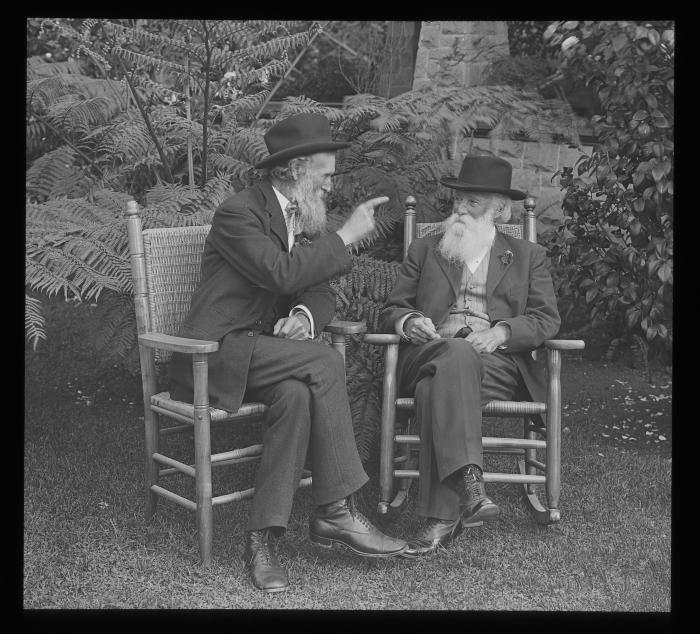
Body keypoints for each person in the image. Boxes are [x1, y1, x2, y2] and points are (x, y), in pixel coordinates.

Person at [169, 112, 407, 592]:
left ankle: (262, 541)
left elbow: (317, 287)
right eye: (324, 173)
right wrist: (346, 236)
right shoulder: (239, 212)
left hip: (261, 351)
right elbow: (279, 271)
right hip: (213, 354)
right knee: (323, 361)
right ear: (292, 169)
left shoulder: (300, 213)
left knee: (297, 395)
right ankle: (337, 511)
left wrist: (303, 316)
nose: (330, 184)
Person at [380, 155, 561, 557]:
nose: (459, 209)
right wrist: (409, 321)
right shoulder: (426, 249)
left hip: (493, 363)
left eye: (472, 202)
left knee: (436, 388)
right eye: (457, 200)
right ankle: (469, 485)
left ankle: (443, 516)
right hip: (425, 352)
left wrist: (501, 332)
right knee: (451, 356)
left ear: (499, 210)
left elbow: (546, 320)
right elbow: (393, 308)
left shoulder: (528, 256)